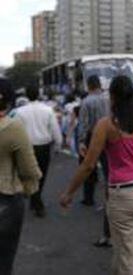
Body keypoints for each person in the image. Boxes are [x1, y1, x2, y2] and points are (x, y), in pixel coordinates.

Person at [60, 75, 133, 275]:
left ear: (113, 97)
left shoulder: (106, 125)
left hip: (124, 195)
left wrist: (69, 192)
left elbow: (89, 165)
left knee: (128, 256)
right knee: (122, 248)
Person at [0, 78, 42, 275]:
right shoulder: (12, 127)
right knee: (4, 261)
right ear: (9, 101)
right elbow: (30, 170)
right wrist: (29, 189)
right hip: (6, 200)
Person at [15, 86, 62, 218]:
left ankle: (34, 199)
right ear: (39, 94)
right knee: (41, 174)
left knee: (30, 174)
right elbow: (55, 128)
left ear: (26, 95)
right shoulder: (47, 110)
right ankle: (38, 203)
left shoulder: (19, 112)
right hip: (44, 146)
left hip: (26, 146)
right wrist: (58, 144)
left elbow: (17, 130)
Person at [78, 75, 110, 206]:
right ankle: (111, 197)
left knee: (88, 166)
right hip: (108, 135)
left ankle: (88, 198)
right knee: (108, 167)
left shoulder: (86, 101)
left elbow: (83, 124)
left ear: (89, 86)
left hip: (92, 137)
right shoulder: (108, 99)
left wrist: (81, 141)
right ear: (99, 85)